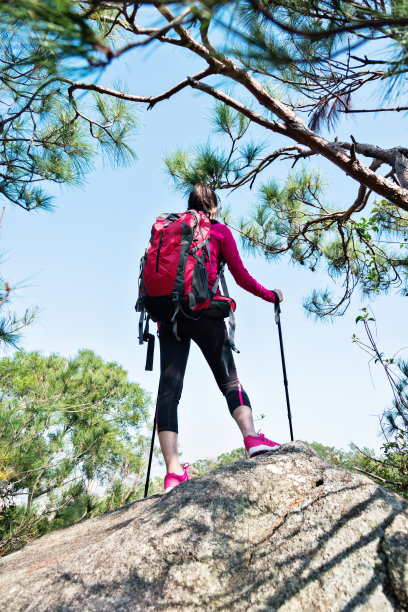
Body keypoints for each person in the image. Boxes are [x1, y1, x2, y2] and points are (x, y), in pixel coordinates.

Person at [157, 183, 283, 492]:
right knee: (229, 382)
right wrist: (272, 296)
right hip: (204, 312)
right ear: (213, 207)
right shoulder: (219, 231)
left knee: (169, 391)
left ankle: (173, 472)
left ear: (189, 205)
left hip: (169, 316)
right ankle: (252, 438)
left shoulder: (168, 229)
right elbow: (241, 277)